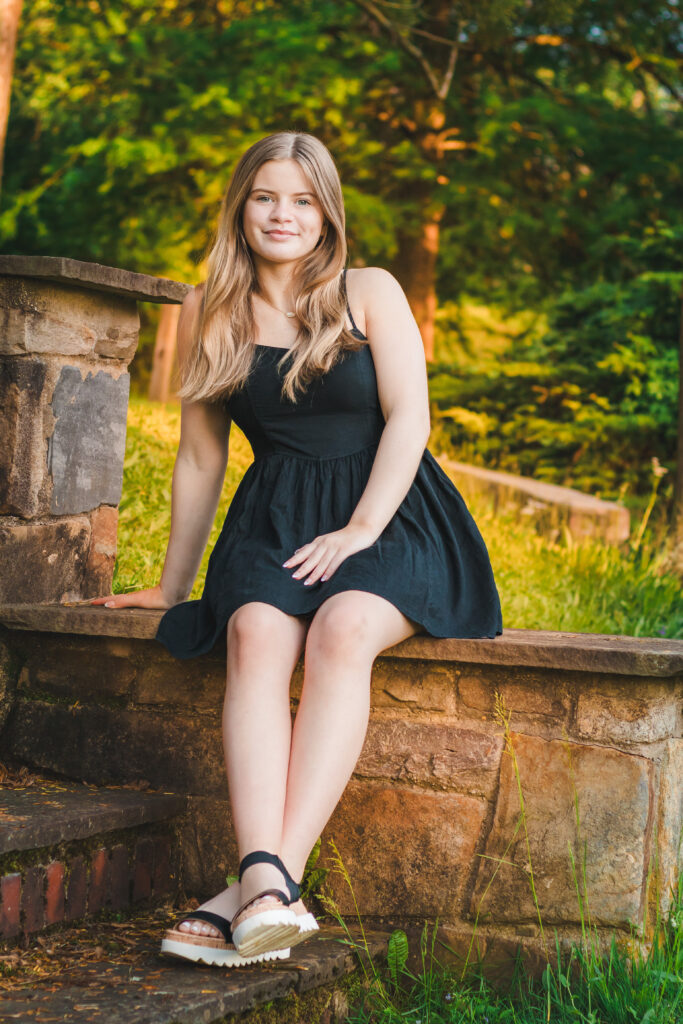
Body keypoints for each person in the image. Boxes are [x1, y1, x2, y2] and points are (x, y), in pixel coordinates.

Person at [91, 131, 503, 968]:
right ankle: (267, 885)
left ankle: (261, 882)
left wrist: (359, 531)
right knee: (253, 633)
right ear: (241, 207)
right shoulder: (213, 308)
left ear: (327, 213)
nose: (284, 214)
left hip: (391, 511)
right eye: (266, 196)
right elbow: (201, 454)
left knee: (342, 629)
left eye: (303, 199)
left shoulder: (370, 291)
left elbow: (410, 421)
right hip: (274, 515)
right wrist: (173, 585)